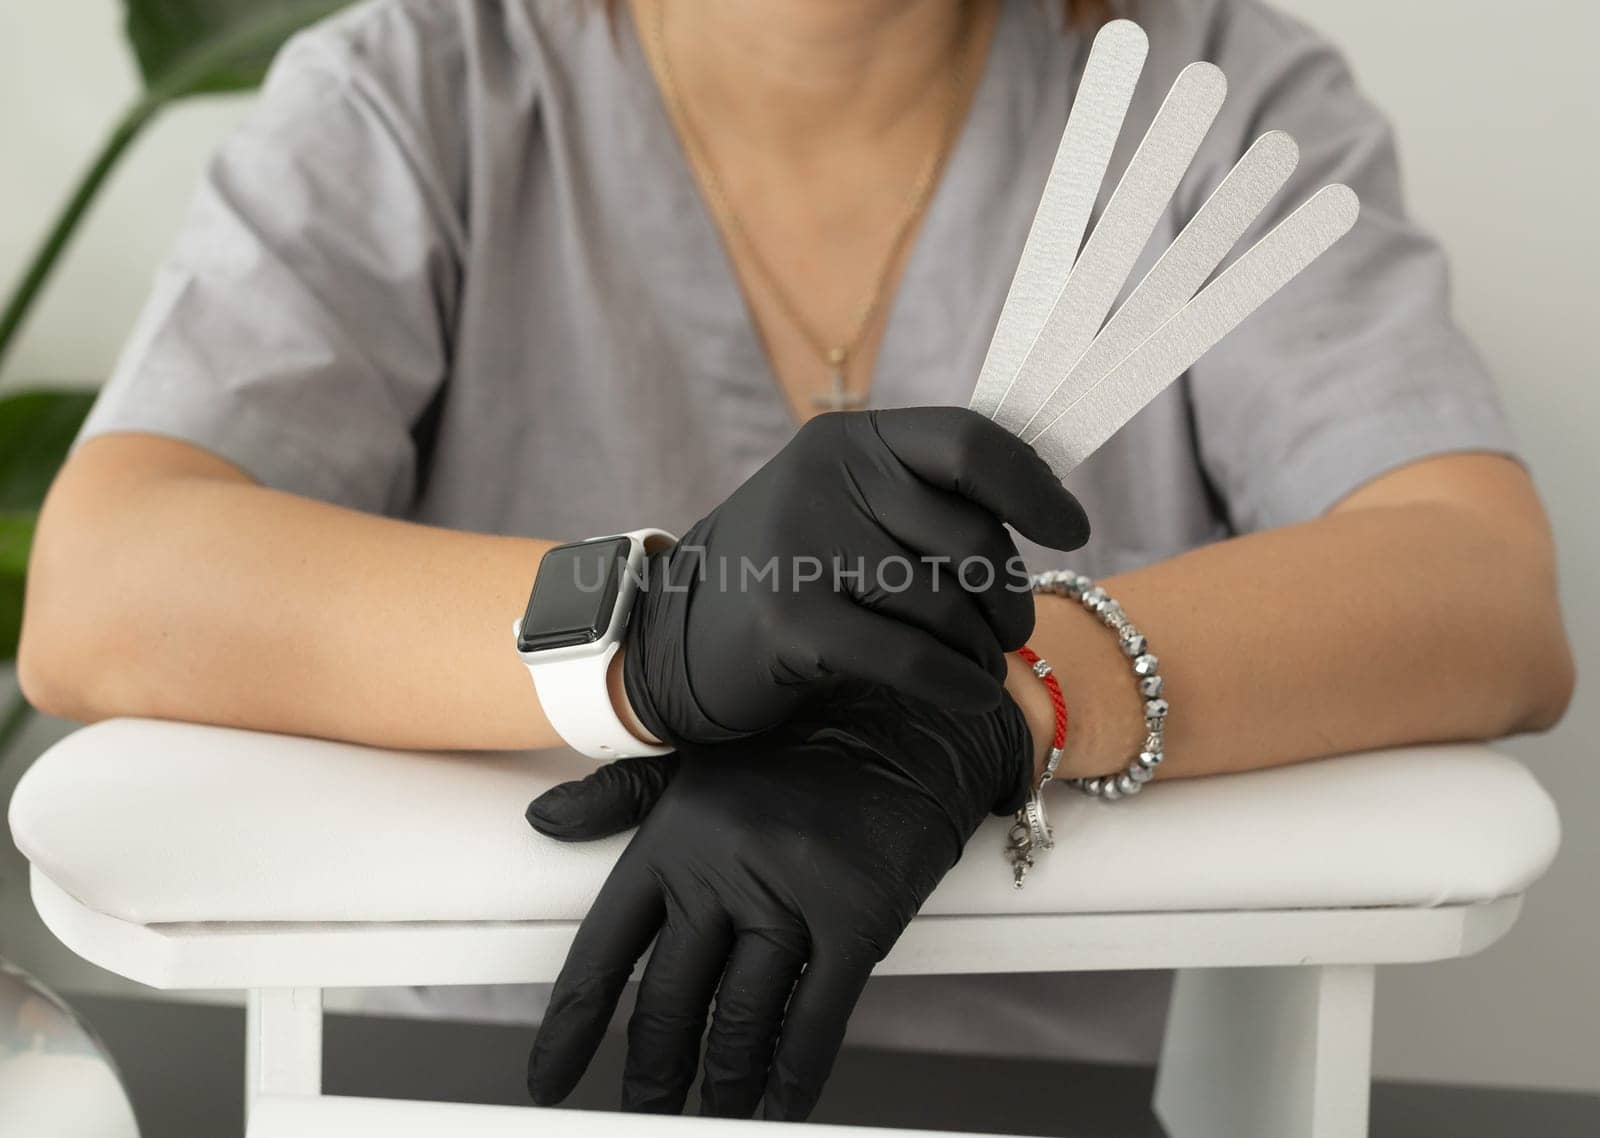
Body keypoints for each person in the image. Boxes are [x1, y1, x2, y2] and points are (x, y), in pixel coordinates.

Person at [17, 0, 1574, 1122]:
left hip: (1024, 1099)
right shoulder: (418, 91)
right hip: (474, 1086)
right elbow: (107, 579)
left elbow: (1477, 584)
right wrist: (653, 630)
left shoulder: (1203, 99)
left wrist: (990, 696)